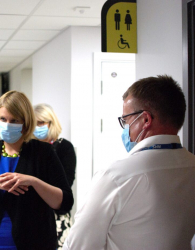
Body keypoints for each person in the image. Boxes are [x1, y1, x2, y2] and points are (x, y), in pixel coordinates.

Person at [63, 75, 195, 249]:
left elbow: (79, 245)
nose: (125, 129)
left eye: (126, 120)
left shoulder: (115, 176)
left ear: (146, 120)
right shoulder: (191, 166)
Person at [0, 90, 73, 250]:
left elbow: (65, 202)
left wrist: (33, 181)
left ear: (26, 122)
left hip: (34, 243)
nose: (7, 125)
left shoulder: (44, 153)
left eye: (14, 120)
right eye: (3, 119)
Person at [33, 103, 76, 248]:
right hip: (32, 216)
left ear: (51, 123)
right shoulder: (29, 149)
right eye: (34, 123)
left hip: (57, 217)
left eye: (41, 123)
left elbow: (65, 185)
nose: (37, 127)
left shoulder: (64, 147)